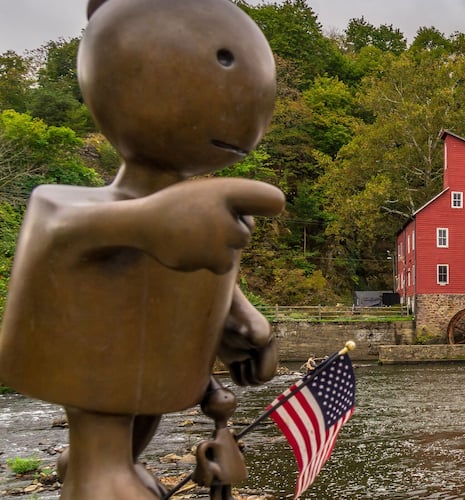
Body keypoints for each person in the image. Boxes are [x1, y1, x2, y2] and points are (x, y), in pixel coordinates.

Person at [0, 0, 284, 497]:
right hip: (99, 405)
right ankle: (95, 467)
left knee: (142, 418)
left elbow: (210, 285)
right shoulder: (61, 206)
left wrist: (247, 326)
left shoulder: (202, 223)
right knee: (109, 443)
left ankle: (112, 464)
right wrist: (150, 221)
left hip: (155, 389)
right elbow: (68, 231)